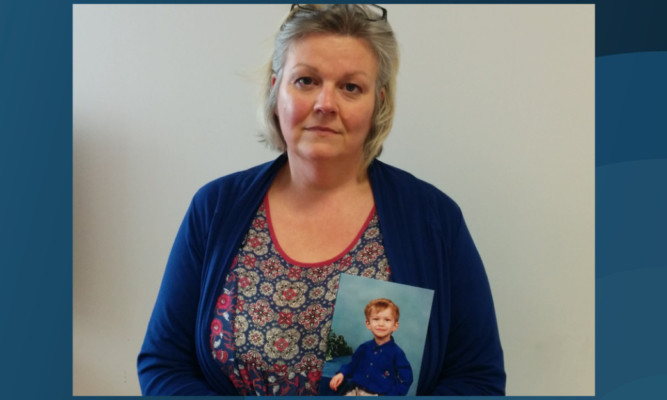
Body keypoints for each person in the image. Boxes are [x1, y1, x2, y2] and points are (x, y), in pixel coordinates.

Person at [137, 4, 505, 396]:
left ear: (378, 102)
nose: (325, 103)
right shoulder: (215, 209)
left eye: (350, 87)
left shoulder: (433, 220)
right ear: (276, 89)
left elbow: (476, 377)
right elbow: (165, 363)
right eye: (307, 80)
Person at [329, 298, 413, 396]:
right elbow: (352, 365)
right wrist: (341, 373)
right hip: (355, 390)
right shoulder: (363, 348)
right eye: (376, 319)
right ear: (368, 324)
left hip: (379, 394)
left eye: (387, 320)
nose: (381, 324)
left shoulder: (397, 353)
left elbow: (407, 378)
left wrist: (393, 395)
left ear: (395, 326)